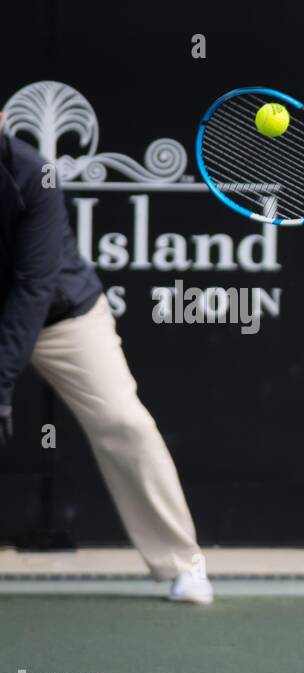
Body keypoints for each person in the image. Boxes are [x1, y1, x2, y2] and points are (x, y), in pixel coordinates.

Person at [0, 110, 212, 603]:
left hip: (63, 316)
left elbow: (33, 288)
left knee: (125, 423)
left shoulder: (35, 175)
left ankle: (184, 564)